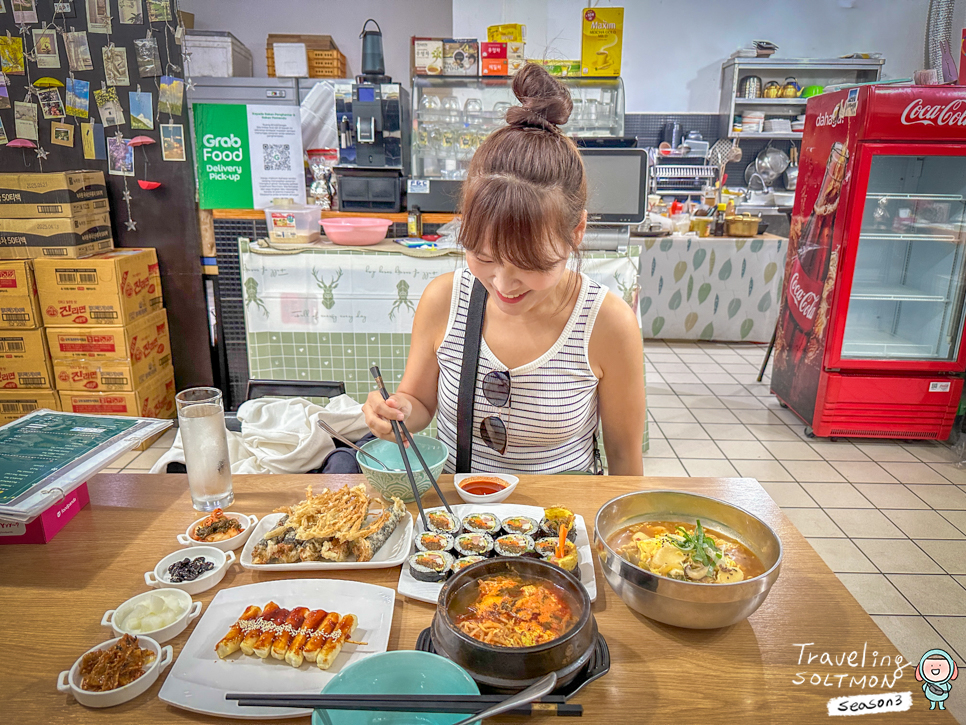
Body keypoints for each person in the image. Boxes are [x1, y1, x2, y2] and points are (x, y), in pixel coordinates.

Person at [363, 63, 645, 475]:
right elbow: (420, 403)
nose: (503, 283)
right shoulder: (445, 300)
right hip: (459, 520)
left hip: (561, 528)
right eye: (483, 255)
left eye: (531, 263)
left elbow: (624, 459)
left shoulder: (608, 324)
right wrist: (398, 412)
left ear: (577, 231)